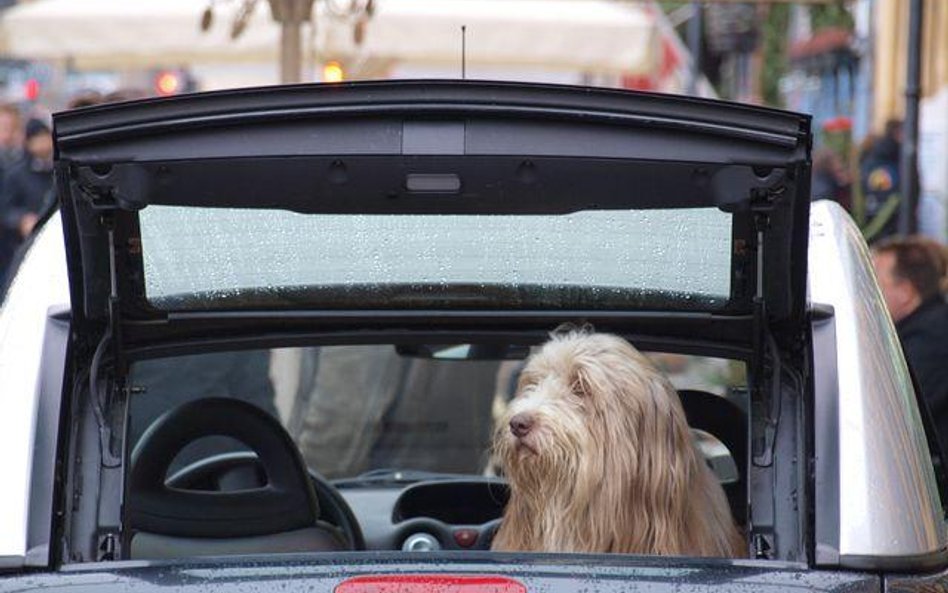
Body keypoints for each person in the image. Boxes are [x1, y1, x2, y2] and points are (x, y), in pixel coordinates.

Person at [871, 236, 948, 449]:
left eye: (875, 283)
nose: (867, 295)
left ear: (905, 292)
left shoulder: (932, 338)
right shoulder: (924, 329)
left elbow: (891, 416)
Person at [0, 117, 53, 287]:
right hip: (23, 246)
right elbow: (6, 209)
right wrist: (22, 219)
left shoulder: (59, 170)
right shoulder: (16, 174)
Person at [860, 120, 905, 243]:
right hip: (887, 225)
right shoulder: (888, 157)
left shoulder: (880, 155)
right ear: (897, 133)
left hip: (879, 221)